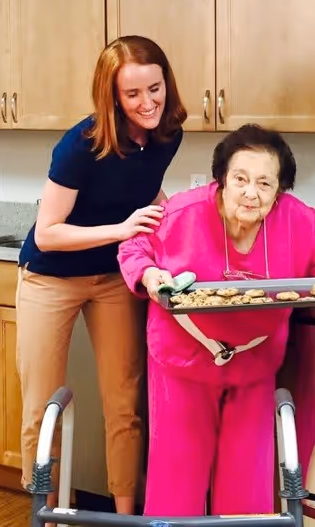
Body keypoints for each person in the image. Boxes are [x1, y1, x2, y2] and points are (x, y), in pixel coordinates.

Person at [117, 124, 315, 517]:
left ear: (280, 189)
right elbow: (134, 247)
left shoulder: (300, 222)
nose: (251, 193)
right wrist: (150, 275)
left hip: (254, 365)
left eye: (265, 183)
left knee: (246, 489)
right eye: (241, 179)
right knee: (176, 482)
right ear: (222, 179)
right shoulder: (180, 212)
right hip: (182, 362)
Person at [15, 35, 187, 515]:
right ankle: (45, 516)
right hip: (50, 277)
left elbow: (143, 189)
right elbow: (48, 233)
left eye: (154, 88)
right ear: (112, 96)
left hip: (113, 277)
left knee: (125, 404)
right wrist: (121, 228)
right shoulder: (81, 144)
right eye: (132, 94)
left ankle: (126, 517)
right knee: (42, 406)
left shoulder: (168, 134)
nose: (147, 102)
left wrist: (174, 216)